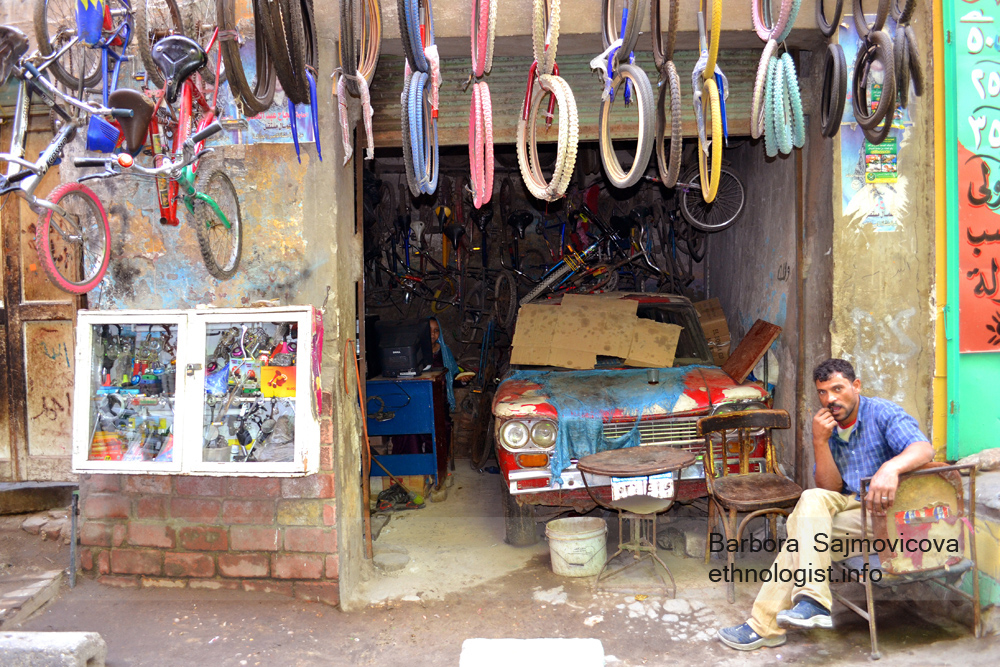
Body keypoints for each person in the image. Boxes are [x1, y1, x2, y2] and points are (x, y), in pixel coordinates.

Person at [717, 358, 935, 651]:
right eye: (823, 392)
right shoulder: (827, 425)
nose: (830, 398)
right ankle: (811, 602)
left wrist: (890, 468)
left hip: (888, 513)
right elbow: (829, 488)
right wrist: (820, 441)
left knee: (800, 539)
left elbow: (924, 449)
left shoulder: (882, 412)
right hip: (852, 508)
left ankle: (766, 627)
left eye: (837, 389)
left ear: (856, 386)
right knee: (811, 500)